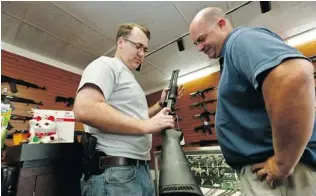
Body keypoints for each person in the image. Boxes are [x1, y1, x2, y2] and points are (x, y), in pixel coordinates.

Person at [189, 7, 316, 196]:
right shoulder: (231, 54)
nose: (199, 47)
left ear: (222, 24)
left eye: (202, 39)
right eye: (195, 43)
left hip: (278, 177)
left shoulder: (239, 40)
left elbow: (292, 76)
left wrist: (283, 163)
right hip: (271, 173)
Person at [73, 23, 183, 196]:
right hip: (115, 174)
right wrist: (146, 127)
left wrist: (160, 104)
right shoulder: (105, 65)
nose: (142, 54)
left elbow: (136, 118)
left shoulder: (130, 79)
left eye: (145, 50)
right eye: (138, 46)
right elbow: (85, 108)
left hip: (139, 171)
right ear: (121, 42)